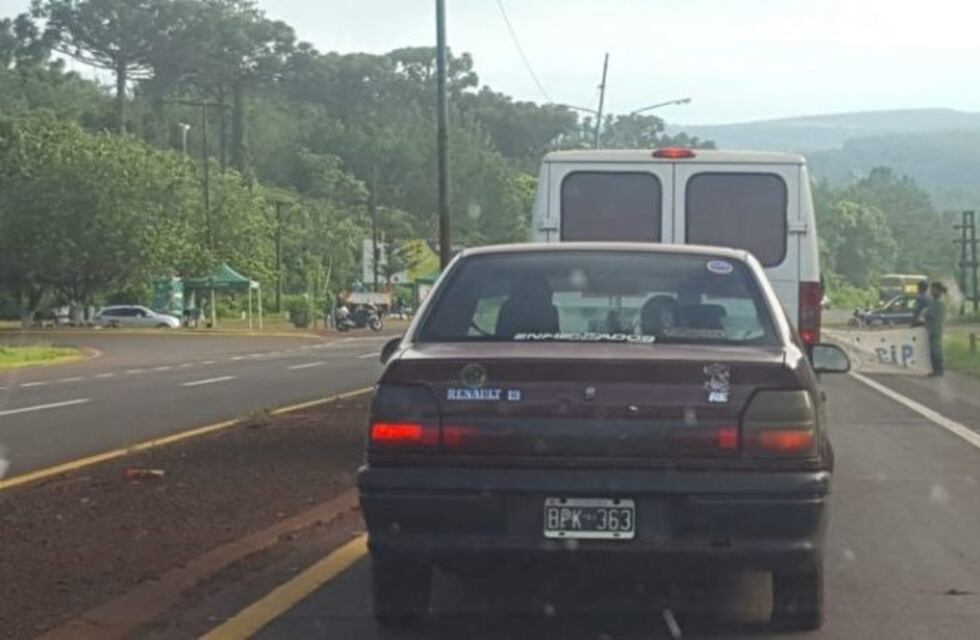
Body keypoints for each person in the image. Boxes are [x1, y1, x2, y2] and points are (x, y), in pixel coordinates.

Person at [922, 281, 947, 377]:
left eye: (934, 289)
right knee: (932, 350)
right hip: (931, 329)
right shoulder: (933, 302)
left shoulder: (940, 303)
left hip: (936, 329)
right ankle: (935, 369)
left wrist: (925, 314)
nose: (932, 292)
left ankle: (939, 369)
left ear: (938, 291)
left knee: (936, 350)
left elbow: (929, 314)